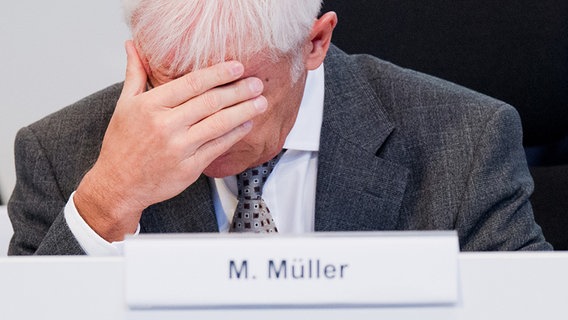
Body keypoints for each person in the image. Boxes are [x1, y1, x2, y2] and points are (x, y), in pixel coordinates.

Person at [8, 0, 551, 255]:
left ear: (314, 44)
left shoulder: (466, 141)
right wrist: (107, 203)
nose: (201, 122)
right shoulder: (59, 154)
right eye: (169, 83)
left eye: (233, 93)